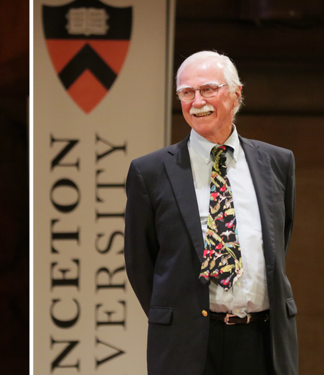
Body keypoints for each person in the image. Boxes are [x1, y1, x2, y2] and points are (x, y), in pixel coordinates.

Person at [124, 51, 298, 375]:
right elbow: (140, 262)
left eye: (207, 90)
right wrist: (181, 314)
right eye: (186, 93)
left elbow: (278, 244)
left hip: (263, 341)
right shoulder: (149, 173)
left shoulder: (278, 163)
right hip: (188, 346)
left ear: (236, 94)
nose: (196, 101)